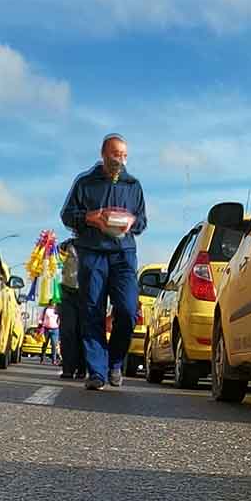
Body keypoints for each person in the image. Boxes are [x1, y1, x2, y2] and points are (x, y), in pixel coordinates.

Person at [59, 133, 147, 390]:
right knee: (92, 311)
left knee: (128, 310)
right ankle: (97, 372)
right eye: (115, 154)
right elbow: (67, 215)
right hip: (93, 253)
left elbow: (142, 222)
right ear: (103, 154)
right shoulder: (85, 183)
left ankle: (115, 362)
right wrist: (90, 217)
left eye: (123, 155)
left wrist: (131, 222)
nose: (119, 160)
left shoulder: (133, 186)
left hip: (123, 254)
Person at [57, 237, 85, 380]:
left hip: (87, 293)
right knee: (68, 330)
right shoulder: (67, 245)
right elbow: (56, 257)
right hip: (68, 292)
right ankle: (68, 368)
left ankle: (82, 367)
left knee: (83, 332)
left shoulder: (96, 244)